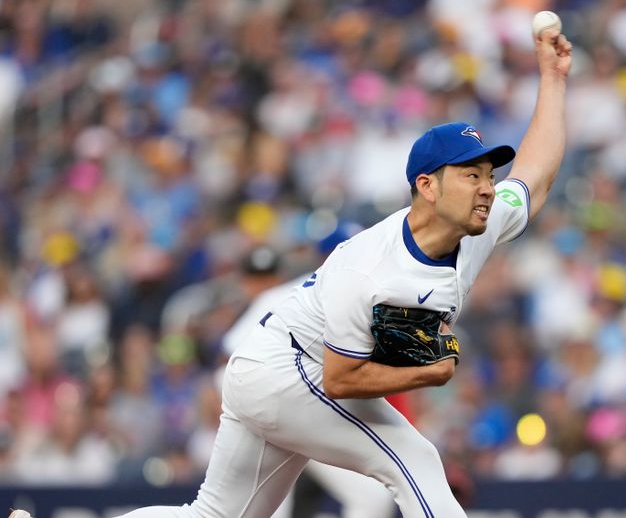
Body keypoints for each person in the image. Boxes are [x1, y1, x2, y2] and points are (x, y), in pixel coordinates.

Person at [10, 26, 572, 518]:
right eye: (471, 175)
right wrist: (429, 371)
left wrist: (552, 77)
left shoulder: (481, 220)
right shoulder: (369, 267)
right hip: (288, 368)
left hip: (276, 365)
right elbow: (341, 380)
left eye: (487, 174)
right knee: (414, 460)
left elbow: (537, 174)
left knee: (214, 515)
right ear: (427, 186)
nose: (487, 187)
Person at [224, 234, 398, 518]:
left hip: (303, 407)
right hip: (270, 402)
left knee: (372, 498)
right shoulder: (297, 290)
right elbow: (230, 357)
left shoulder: (366, 290)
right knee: (260, 508)